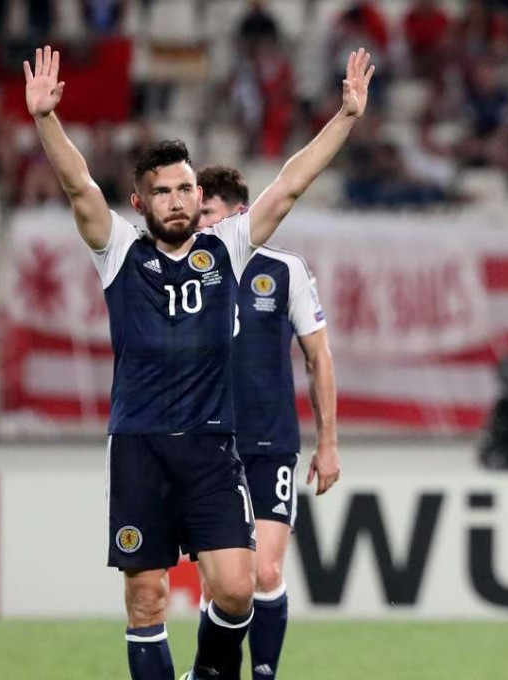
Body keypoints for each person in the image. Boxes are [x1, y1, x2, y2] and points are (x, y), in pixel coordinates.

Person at [23, 45, 373, 680]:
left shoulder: (227, 249)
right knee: (146, 596)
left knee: (237, 589)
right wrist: (47, 120)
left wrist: (346, 116)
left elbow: (291, 182)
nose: (180, 200)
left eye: (187, 188)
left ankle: (209, 674)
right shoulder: (119, 254)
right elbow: (78, 185)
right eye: (165, 192)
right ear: (140, 202)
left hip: (213, 447)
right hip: (138, 445)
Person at [195, 166, 339, 679]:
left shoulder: (284, 271)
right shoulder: (189, 270)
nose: (197, 224)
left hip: (269, 443)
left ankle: (264, 673)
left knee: (265, 569)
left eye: (206, 213)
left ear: (237, 214)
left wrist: (328, 442)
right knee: (219, 585)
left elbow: (318, 356)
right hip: (206, 447)